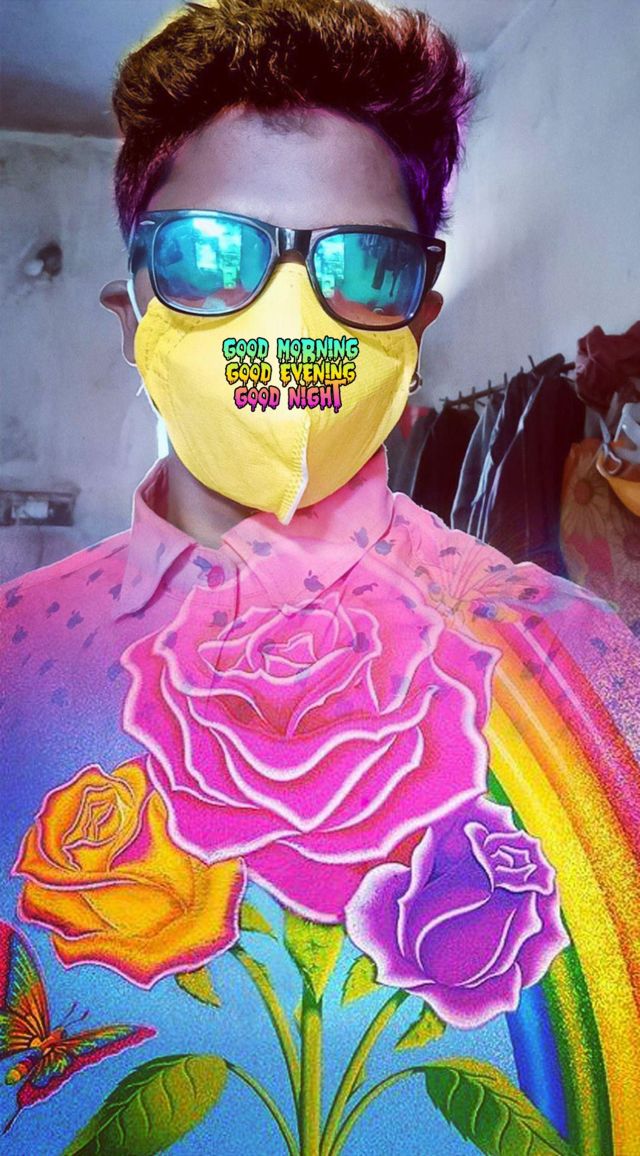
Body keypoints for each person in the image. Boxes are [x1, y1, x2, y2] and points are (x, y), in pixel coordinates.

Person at [1, 2, 639, 1154]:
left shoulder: (590, 678)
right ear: (131, 308)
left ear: (417, 321)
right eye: (208, 254)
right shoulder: (9, 663)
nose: (287, 317)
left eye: (363, 263)